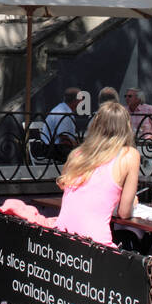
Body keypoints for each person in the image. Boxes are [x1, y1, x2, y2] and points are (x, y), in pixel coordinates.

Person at [53, 101, 140, 247]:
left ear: (96, 125)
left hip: (62, 237)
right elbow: (124, 213)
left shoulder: (77, 154)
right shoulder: (129, 155)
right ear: (127, 127)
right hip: (94, 244)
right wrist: (132, 203)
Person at [43, 87, 82, 160]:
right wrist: (79, 147)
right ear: (76, 101)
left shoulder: (64, 110)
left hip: (55, 148)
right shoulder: (63, 113)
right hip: (54, 150)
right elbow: (64, 139)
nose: (82, 102)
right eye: (81, 99)